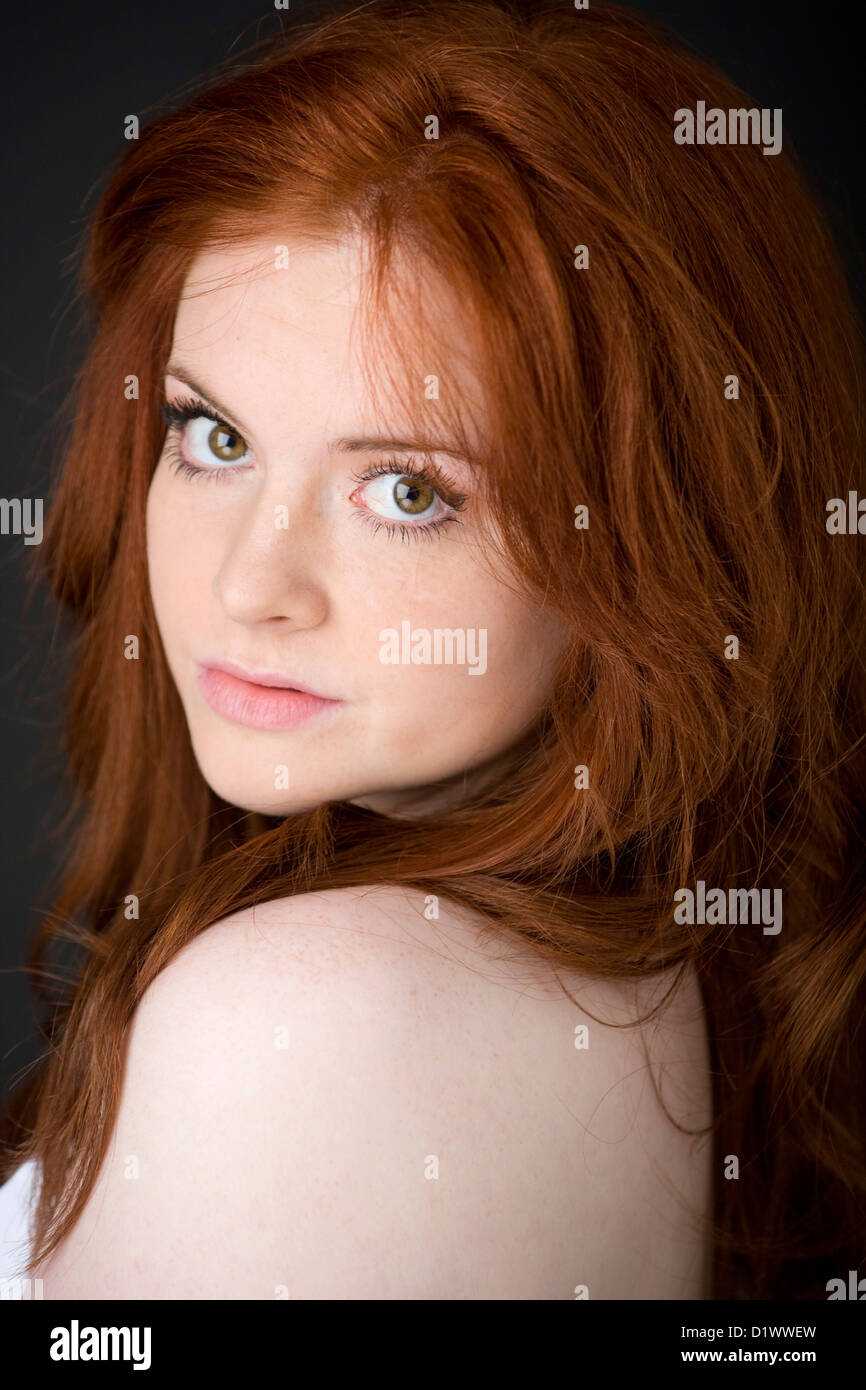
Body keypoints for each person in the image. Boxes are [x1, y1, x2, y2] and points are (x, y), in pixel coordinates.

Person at [1, 0, 864, 1300]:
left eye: (406, 490)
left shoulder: (310, 1024)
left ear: (660, 540)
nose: (249, 583)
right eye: (214, 437)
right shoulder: (650, 974)